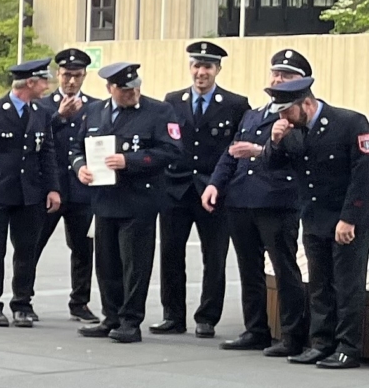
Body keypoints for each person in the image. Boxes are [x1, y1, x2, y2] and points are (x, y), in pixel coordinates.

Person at [206, 49, 311, 354]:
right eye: (276, 74)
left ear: (301, 82)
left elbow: (299, 155)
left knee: (284, 269)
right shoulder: (254, 114)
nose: (278, 79)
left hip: (277, 201)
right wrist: (215, 184)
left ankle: (292, 335)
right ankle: (256, 329)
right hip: (241, 199)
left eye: (287, 76)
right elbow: (231, 153)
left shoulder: (299, 117)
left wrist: (260, 149)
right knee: (248, 270)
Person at [72, 62, 183, 345]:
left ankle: (131, 320)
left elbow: (170, 150)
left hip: (139, 199)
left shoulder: (159, 112)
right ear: (110, 89)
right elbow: (76, 147)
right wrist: (80, 167)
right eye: (125, 89)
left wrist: (129, 161)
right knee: (106, 263)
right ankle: (111, 316)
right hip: (104, 198)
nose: (132, 92)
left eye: (136, 87)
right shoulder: (94, 111)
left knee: (134, 264)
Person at [263, 75, 369, 369]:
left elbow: (363, 176)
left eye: (287, 111)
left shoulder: (350, 123)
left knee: (348, 285)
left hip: (346, 220)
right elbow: (271, 166)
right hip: (313, 218)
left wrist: (350, 218)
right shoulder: (293, 132)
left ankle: (348, 346)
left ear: (306, 104)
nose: (283, 118)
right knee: (320, 284)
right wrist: (274, 141)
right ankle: (322, 342)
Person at [156, 41, 249, 337]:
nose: (201, 72)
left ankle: (207, 317)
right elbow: (166, 142)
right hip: (176, 190)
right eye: (196, 65)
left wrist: (223, 185)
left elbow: (236, 150)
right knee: (171, 253)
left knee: (214, 256)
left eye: (207, 66)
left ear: (218, 69)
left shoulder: (236, 104)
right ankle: (173, 315)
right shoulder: (172, 101)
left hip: (214, 192)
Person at [0, 59, 60, 327]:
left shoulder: (41, 113)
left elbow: (47, 153)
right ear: (30, 83)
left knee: (27, 250)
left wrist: (52, 188)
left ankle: (22, 303)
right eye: (44, 81)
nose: (47, 86)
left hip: (30, 193)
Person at [45, 48, 101, 321]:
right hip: (51, 188)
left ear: (84, 76)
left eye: (76, 76)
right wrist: (59, 116)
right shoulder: (44, 105)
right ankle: (23, 299)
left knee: (82, 249)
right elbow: (37, 139)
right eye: (66, 75)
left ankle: (79, 301)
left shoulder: (95, 106)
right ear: (58, 74)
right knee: (32, 246)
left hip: (82, 190)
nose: (71, 81)